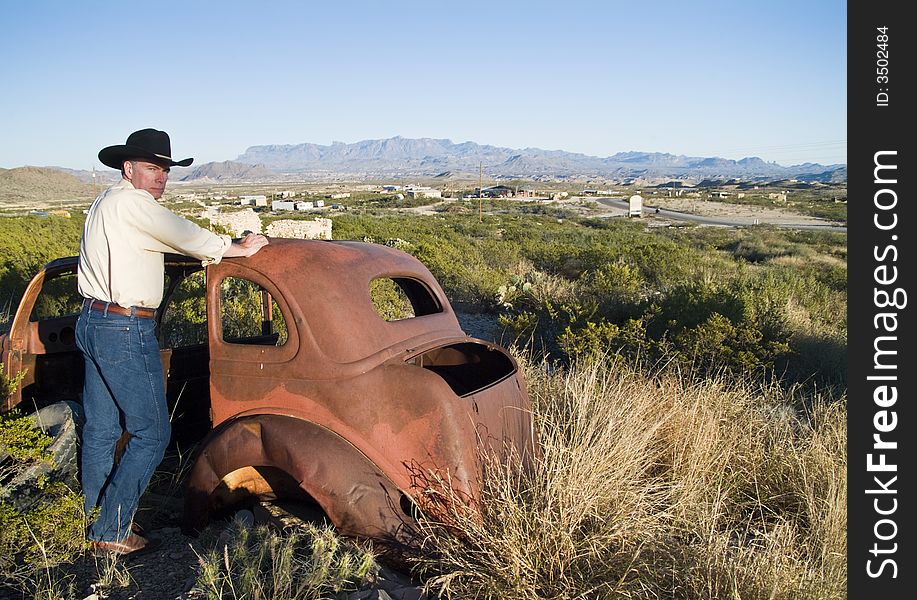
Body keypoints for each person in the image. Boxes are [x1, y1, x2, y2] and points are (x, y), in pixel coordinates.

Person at [76, 128, 269, 555]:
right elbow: (188, 236)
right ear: (129, 168)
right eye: (152, 167)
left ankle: (95, 516)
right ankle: (112, 528)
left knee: (103, 429)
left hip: (92, 319)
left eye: (165, 169)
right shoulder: (135, 204)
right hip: (124, 326)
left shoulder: (104, 202)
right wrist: (237, 246)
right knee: (152, 432)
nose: (161, 176)